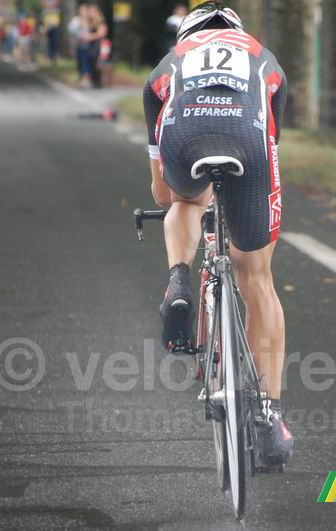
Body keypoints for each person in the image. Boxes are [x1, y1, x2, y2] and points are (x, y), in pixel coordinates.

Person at [142, 2, 293, 465]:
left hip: (185, 136)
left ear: (185, 35)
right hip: (247, 140)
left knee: (184, 200)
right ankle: (269, 418)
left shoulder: (166, 67)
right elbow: (268, 145)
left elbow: (161, 191)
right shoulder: (263, 57)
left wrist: (191, 199)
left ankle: (178, 281)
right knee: (258, 279)